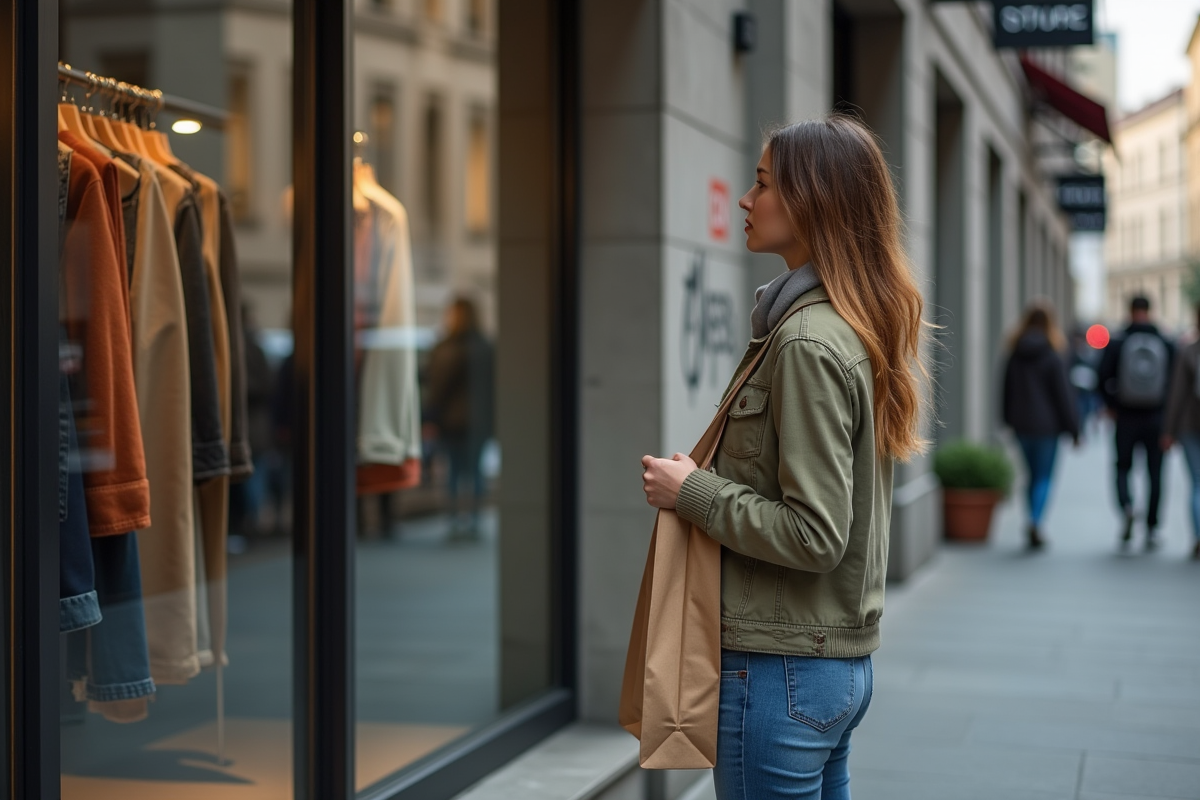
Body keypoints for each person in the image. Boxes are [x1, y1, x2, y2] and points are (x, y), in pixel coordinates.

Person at [640, 115, 928, 800]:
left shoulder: (807, 341)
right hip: (826, 669)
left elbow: (816, 533)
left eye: (764, 183)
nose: (745, 199)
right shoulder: (846, 326)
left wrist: (693, 493)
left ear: (813, 201)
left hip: (780, 671)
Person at [1097, 295, 1175, 551]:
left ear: (1130, 311)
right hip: (1156, 417)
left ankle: (1127, 507)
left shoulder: (1119, 341)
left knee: (1122, 467)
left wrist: (1111, 405)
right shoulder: (1164, 341)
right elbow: (1175, 383)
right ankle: (1152, 528)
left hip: (1126, 416)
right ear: (1150, 311)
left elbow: (1102, 376)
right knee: (1156, 473)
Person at [1001, 302, 1080, 550]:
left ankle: (1031, 519)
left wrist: (1006, 419)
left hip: (1022, 425)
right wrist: (1074, 429)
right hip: (1048, 427)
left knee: (1031, 476)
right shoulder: (1052, 354)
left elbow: (1005, 389)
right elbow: (1063, 395)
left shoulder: (1014, 352)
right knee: (1044, 476)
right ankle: (1036, 521)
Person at [424, 297, 495, 539]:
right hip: (479, 421)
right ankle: (472, 521)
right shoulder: (485, 346)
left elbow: (436, 388)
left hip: (452, 421)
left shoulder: (447, 348)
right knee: (474, 470)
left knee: (455, 471)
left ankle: (456, 520)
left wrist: (429, 415)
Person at [1162, 304, 1200, 560]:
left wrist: (1169, 430)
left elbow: (1177, 394)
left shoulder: (1189, 351)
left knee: (1197, 483)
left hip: (1190, 425)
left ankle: (1198, 536)